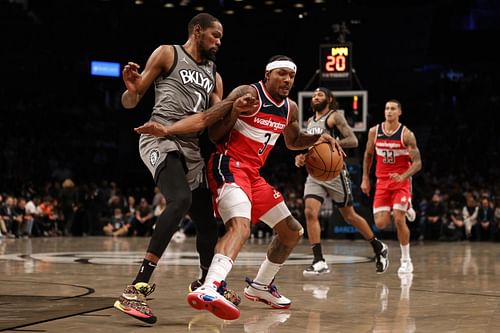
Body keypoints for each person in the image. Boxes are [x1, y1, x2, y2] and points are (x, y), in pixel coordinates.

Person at [135, 55, 340, 320]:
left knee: (292, 231)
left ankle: (261, 286)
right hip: (228, 165)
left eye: (291, 76)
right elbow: (214, 134)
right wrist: (234, 111)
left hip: (253, 175)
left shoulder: (290, 108)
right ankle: (210, 287)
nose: (287, 80)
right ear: (267, 75)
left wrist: (318, 137)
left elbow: (293, 141)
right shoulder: (248, 93)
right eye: (281, 74)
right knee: (241, 227)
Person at [113, 13, 242, 325]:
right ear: (197, 31)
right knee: (180, 199)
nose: (219, 42)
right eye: (215, 35)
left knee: (207, 224)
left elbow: (212, 127)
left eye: (221, 37)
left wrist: (234, 110)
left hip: (191, 147)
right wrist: (131, 89)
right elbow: (131, 102)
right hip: (159, 135)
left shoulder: (215, 75)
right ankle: (135, 290)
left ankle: (206, 283)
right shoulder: (168, 53)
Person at [294, 87, 388, 276]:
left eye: (319, 95)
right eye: (313, 95)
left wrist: (331, 143)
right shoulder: (310, 121)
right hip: (315, 174)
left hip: (335, 173)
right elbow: (312, 149)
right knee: (310, 212)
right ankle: (318, 260)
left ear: (328, 99)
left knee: (350, 216)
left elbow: (353, 141)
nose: (315, 97)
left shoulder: (334, 117)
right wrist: (302, 157)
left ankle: (378, 247)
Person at [360, 99, 422, 274]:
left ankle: (406, 260)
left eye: (393, 109)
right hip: (382, 182)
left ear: (399, 112)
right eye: (387, 108)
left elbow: (418, 163)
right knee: (380, 224)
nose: (389, 111)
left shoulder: (407, 135)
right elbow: (368, 155)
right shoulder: (374, 132)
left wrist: (403, 176)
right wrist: (365, 177)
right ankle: (407, 206)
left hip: (401, 181)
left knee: (399, 219)